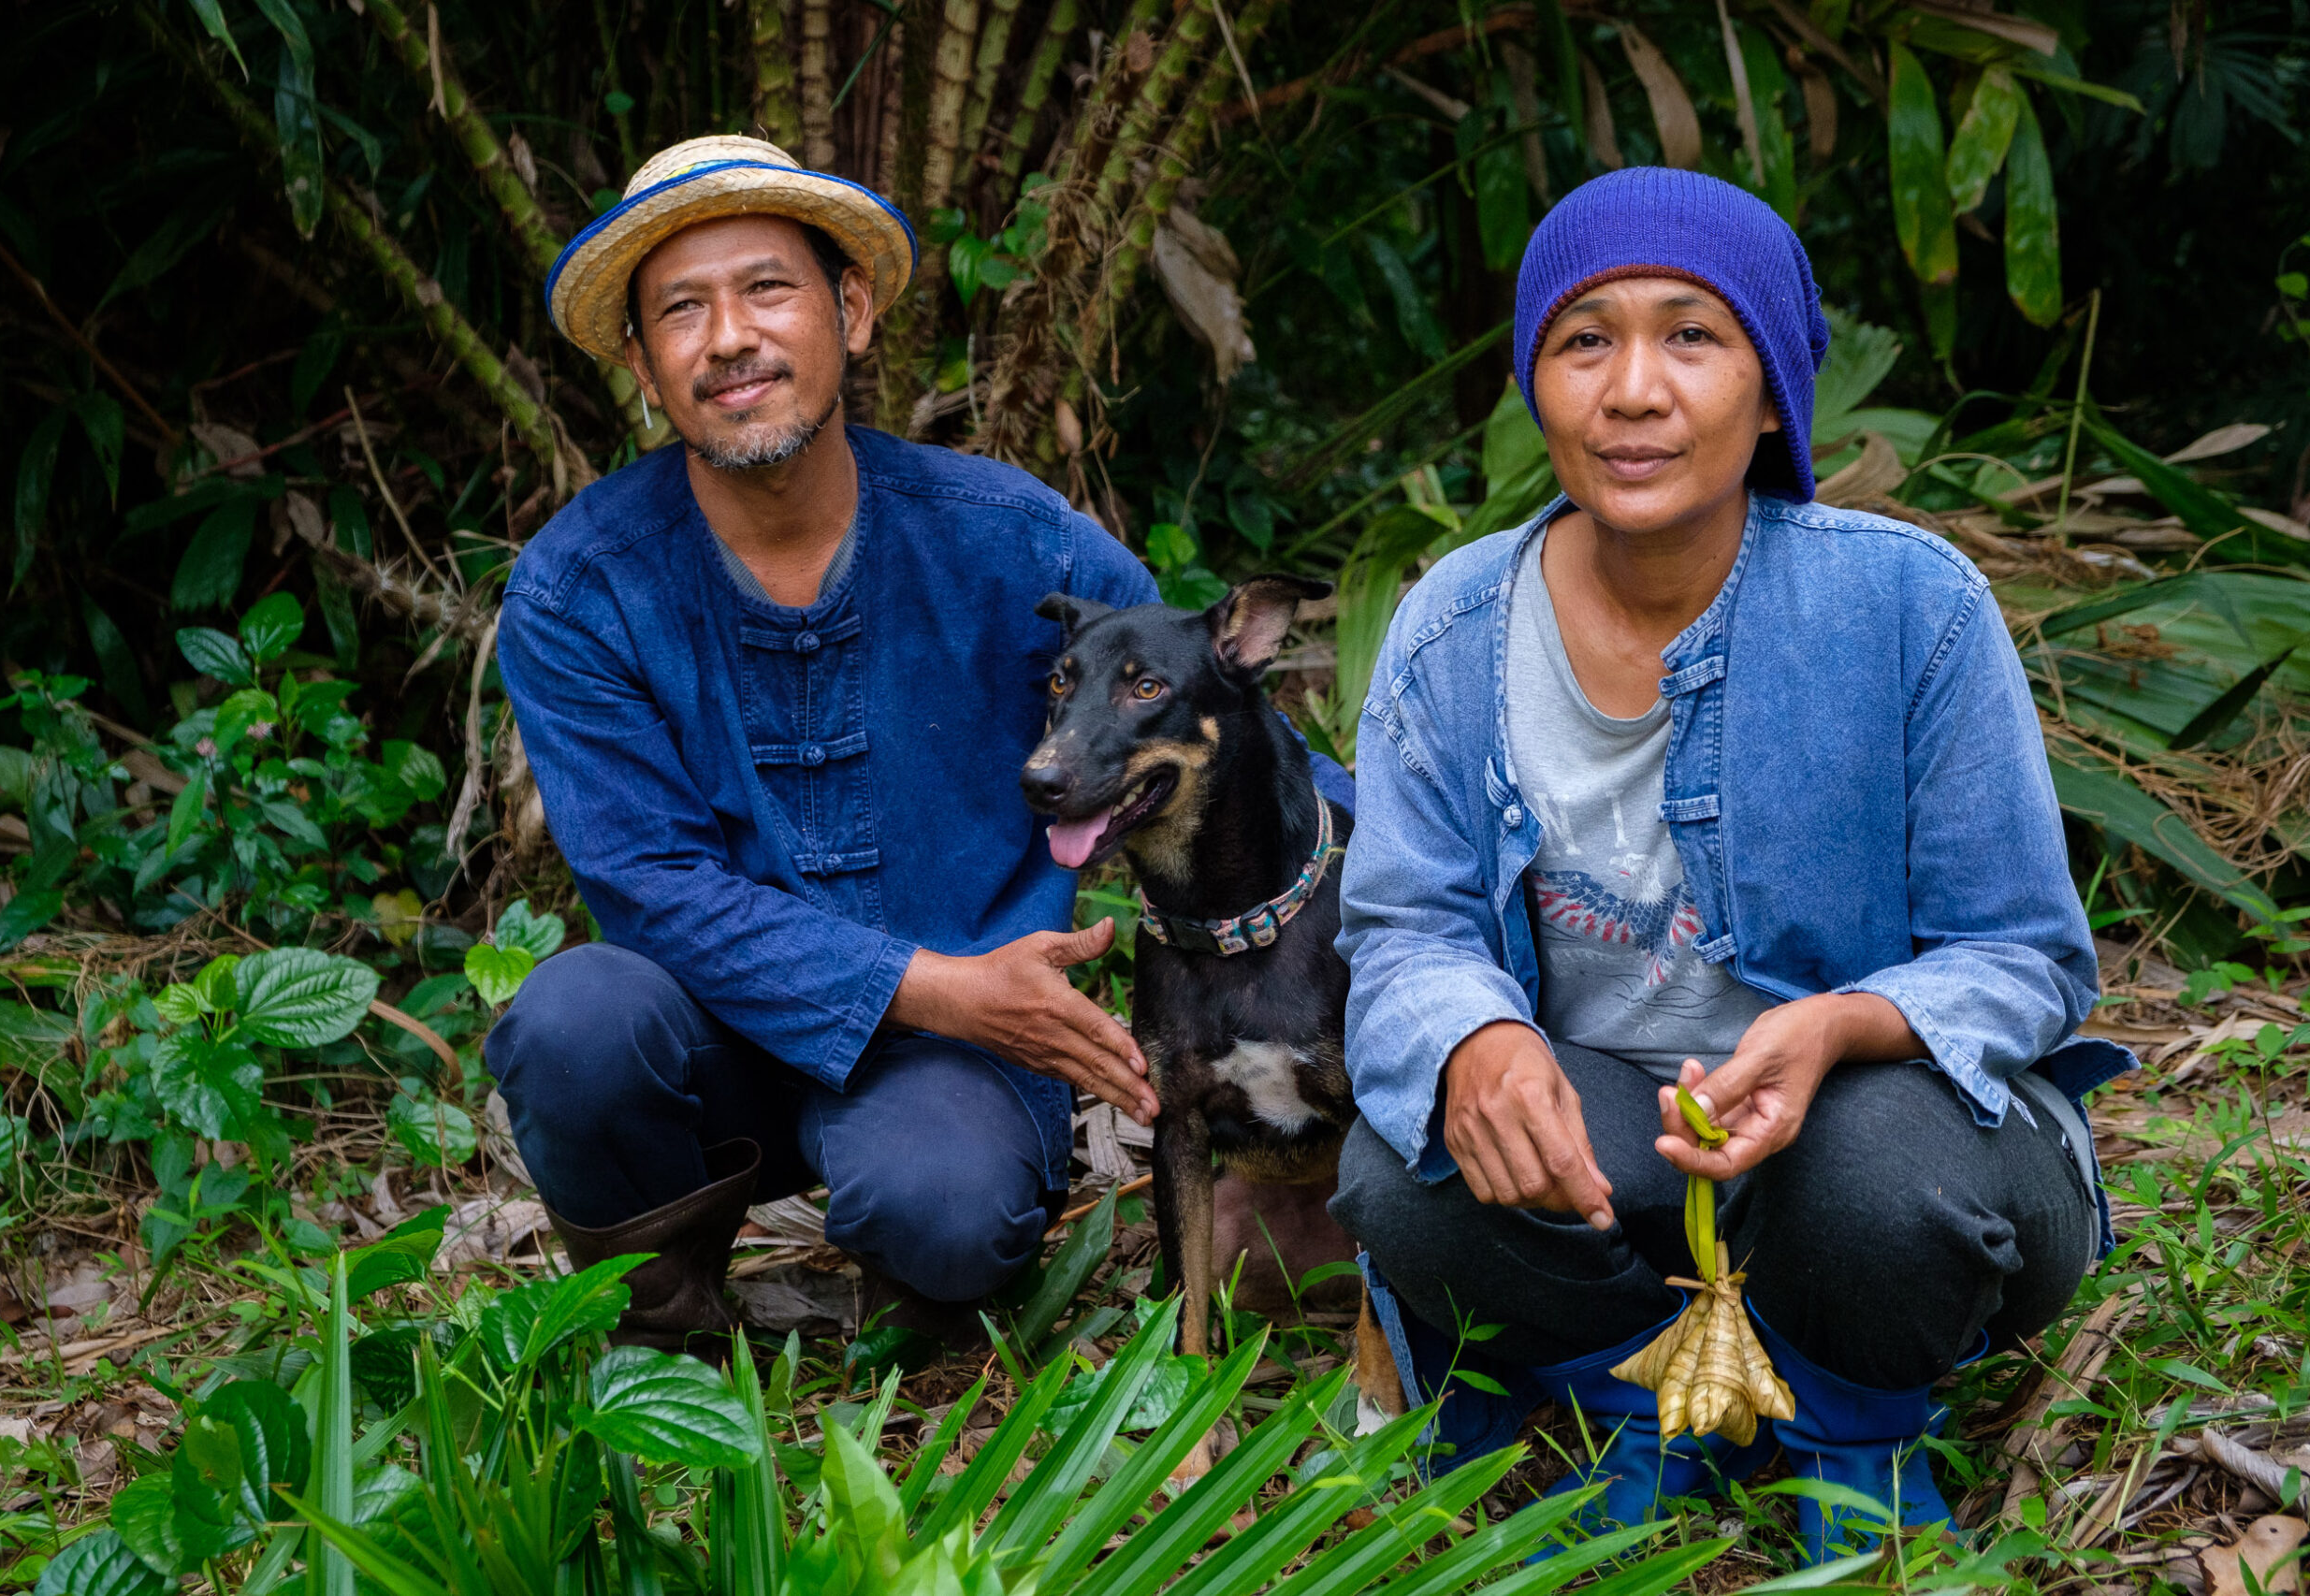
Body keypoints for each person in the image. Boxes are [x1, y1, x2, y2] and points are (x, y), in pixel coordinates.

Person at [1329, 167, 2133, 1563]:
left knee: (1879, 1175)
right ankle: (1643, 1385)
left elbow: (2027, 952)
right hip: (1625, 1159)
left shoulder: (1909, 606)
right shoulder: (1453, 626)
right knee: (1407, 1170)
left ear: (1773, 394)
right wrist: (1472, 1041)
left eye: (1692, 335)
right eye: (1587, 340)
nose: (1634, 388)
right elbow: (1403, 927)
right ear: (1538, 383)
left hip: (1869, 1142)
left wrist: (1840, 1025)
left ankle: (1850, 1420)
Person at [487, 136, 1347, 1356]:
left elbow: (1200, 708)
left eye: (769, 289)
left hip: (964, 1052)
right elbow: (653, 891)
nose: (730, 336)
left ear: (852, 309)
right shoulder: (581, 589)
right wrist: (946, 984)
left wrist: (1385, 860)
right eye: (681, 309)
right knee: (572, 1022)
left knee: (944, 1206)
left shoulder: (1008, 538)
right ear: (640, 359)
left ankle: (915, 1297)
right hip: (719, 1025)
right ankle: (666, 1329)